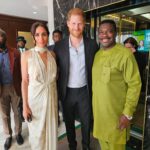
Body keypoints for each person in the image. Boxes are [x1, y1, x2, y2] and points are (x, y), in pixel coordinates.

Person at [92, 20, 141, 150]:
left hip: (116, 117)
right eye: (101, 32)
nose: (105, 35)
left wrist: (127, 114)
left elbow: (135, 85)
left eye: (109, 31)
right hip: (100, 116)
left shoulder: (125, 55)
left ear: (115, 33)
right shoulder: (97, 55)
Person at [54, 8, 99, 150]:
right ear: (68, 23)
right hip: (67, 92)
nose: (76, 27)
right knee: (69, 123)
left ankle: (86, 146)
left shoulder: (92, 44)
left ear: (84, 24)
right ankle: (72, 146)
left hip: (85, 91)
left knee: (86, 122)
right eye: (73, 23)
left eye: (79, 23)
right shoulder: (59, 46)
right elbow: (53, 68)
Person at [21, 22, 58, 150]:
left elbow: (54, 77)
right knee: (37, 137)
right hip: (35, 101)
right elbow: (24, 81)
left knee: (51, 131)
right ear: (33, 37)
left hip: (51, 100)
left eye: (44, 34)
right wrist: (25, 106)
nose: (41, 38)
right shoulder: (26, 55)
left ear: (48, 36)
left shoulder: (52, 55)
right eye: (37, 35)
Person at [0, 28, 24, 150]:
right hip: (1, 89)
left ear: (5, 38)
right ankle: (8, 136)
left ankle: (18, 133)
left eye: (0, 36)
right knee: (4, 115)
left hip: (15, 86)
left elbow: (21, 70)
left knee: (17, 112)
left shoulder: (15, 52)